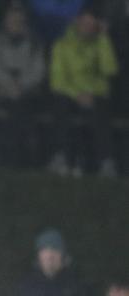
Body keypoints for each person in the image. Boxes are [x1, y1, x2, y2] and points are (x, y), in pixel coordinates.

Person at [48, 7, 120, 177]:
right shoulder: (62, 45)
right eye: (84, 23)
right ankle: (61, 156)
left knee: (101, 110)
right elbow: (57, 80)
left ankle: (106, 162)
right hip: (70, 94)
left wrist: (103, 38)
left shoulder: (100, 43)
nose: (87, 27)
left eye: (91, 24)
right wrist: (77, 95)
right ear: (77, 22)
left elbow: (110, 70)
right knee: (60, 104)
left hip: (94, 95)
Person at [0, 2, 46, 166]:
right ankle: (14, 154)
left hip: (27, 92)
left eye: (19, 15)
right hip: (2, 89)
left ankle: (16, 155)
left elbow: (38, 71)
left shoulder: (34, 42)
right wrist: (9, 85)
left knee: (19, 107)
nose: (16, 19)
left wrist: (20, 86)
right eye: (12, 15)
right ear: (6, 19)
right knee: (11, 108)